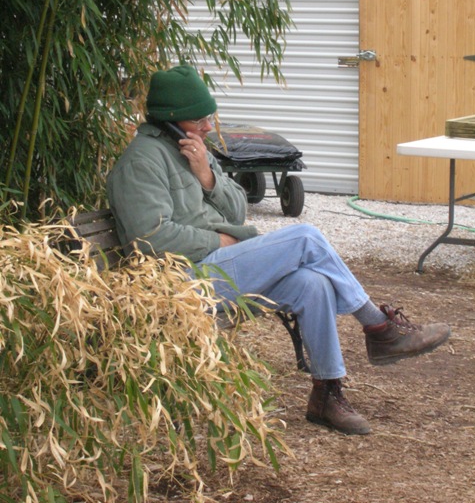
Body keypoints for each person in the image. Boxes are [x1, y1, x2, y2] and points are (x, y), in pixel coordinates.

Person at [107, 65, 451, 436]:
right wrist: (220, 241)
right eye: (200, 119)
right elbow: (149, 240)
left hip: (217, 269)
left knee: (311, 284)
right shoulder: (141, 163)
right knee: (304, 237)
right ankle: (379, 326)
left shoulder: (192, 151)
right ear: (173, 119)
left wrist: (206, 175)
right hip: (182, 284)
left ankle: (326, 393)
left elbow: (238, 208)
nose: (209, 125)